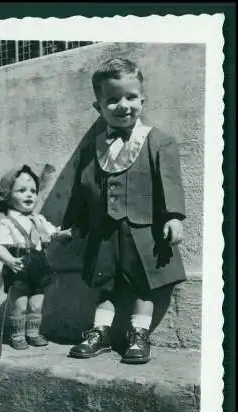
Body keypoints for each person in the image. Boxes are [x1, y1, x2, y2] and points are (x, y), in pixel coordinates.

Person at [61, 57, 187, 364]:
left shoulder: (158, 141)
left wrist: (173, 217)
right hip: (104, 232)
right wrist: (77, 224)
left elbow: (169, 181)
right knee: (104, 284)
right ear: (98, 108)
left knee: (143, 284)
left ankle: (138, 334)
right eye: (112, 99)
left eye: (131, 97)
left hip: (144, 230)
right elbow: (83, 187)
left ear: (142, 99)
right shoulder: (94, 147)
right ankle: (99, 332)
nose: (123, 105)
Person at [0, 164, 64, 350]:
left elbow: (52, 233)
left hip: (39, 264)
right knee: (21, 305)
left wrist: (62, 234)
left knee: (36, 305)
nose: (29, 195)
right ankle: (17, 335)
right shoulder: (7, 222)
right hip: (19, 264)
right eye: (22, 190)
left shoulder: (38, 219)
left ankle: (33, 333)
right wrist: (9, 260)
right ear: (7, 195)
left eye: (33, 190)